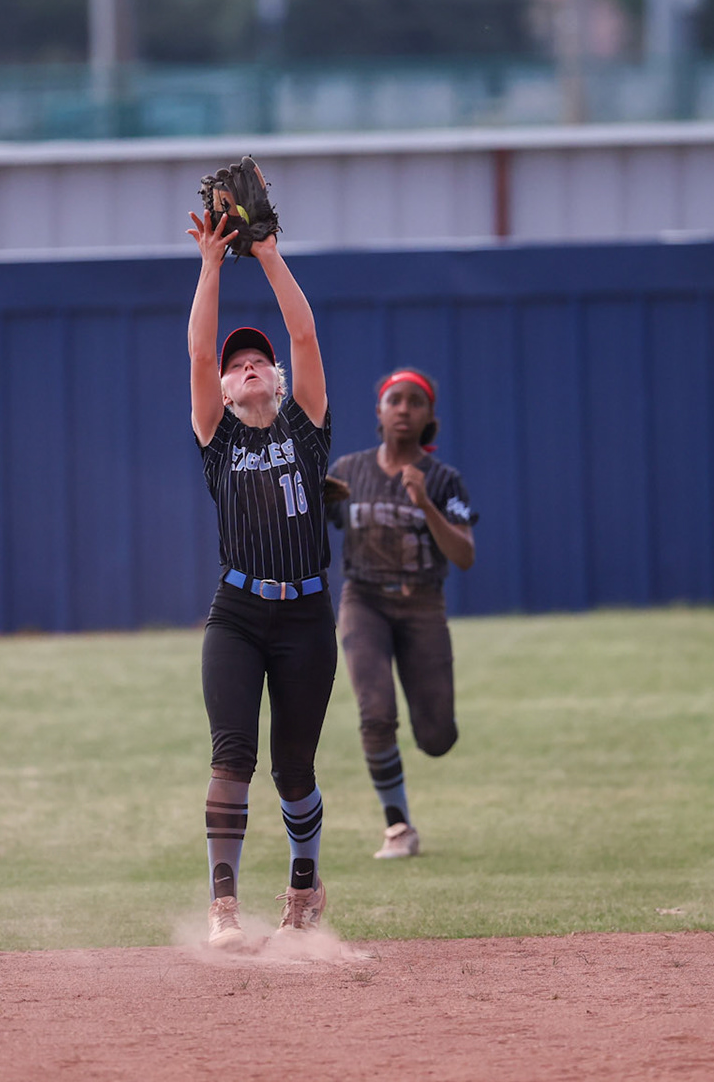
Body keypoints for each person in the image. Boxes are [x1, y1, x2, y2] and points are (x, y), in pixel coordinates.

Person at [185, 206, 337, 952]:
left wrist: (269, 254)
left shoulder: (304, 425)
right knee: (231, 753)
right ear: (222, 387)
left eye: (257, 361)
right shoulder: (218, 442)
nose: (246, 365)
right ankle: (225, 909)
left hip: (308, 619)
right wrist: (212, 263)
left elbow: (303, 333)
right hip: (239, 612)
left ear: (275, 378)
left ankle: (305, 883)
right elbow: (198, 350)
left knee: (294, 769)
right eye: (234, 364)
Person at [325, 368, 477, 860]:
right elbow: (310, 523)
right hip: (364, 599)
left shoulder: (444, 479)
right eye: (395, 400)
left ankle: (430, 737)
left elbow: (465, 555)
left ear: (430, 415)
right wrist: (314, 497)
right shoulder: (349, 471)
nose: (404, 409)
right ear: (379, 411)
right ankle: (398, 826)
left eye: (415, 401)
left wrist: (426, 505)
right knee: (375, 713)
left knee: (436, 737)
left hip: (422, 604)